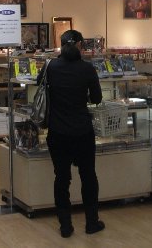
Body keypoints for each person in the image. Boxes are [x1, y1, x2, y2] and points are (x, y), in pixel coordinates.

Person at [38, 29, 104, 238]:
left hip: (57, 132)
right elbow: (97, 99)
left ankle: (65, 226)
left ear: (61, 45)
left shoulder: (50, 66)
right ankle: (91, 222)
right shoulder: (87, 68)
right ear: (80, 46)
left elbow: (38, 84)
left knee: (62, 178)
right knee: (88, 176)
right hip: (82, 131)